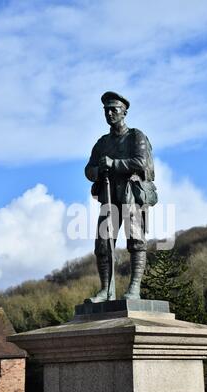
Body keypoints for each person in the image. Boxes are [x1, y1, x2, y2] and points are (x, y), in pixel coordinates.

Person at [85, 91, 157, 302]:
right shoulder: (102, 142)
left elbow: (141, 163)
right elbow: (88, 169)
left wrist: (114, 164)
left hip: (130, 194)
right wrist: (98, 171)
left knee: (136, 241)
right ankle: (106, 290)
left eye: (113, 110)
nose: (109, 114)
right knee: (103, 244)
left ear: (124, 112)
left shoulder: (136, 136)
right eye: (106, 110)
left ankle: (134, 288)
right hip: (108, 196)